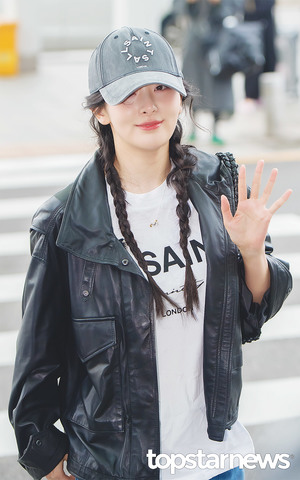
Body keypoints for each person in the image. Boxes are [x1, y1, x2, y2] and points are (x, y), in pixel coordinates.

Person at [8, 26, 292, 480]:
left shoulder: (217, 181)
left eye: (162, 87)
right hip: (116, 467)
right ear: (100, 110)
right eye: (128, 93)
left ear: (181, 96)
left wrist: (252, 252)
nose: (148, 105)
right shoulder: (65, 223)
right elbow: (36, 366)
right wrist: (49, 464)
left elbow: (250, 314)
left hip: (216, 460)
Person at [181, 0, 244, 145]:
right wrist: (191, 4)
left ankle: (216, 130)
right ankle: (193, 130)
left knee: (218, 89)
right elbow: (183, 12)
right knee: (193, 86)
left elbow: (232, 13)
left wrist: (218, 5)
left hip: (218, 45)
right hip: (195, 46)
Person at [243, 0, 277, 106]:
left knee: (269, 57)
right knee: (252, 59)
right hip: (251, 22)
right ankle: (251, 96)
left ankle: (268, 94)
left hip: (266, 20)